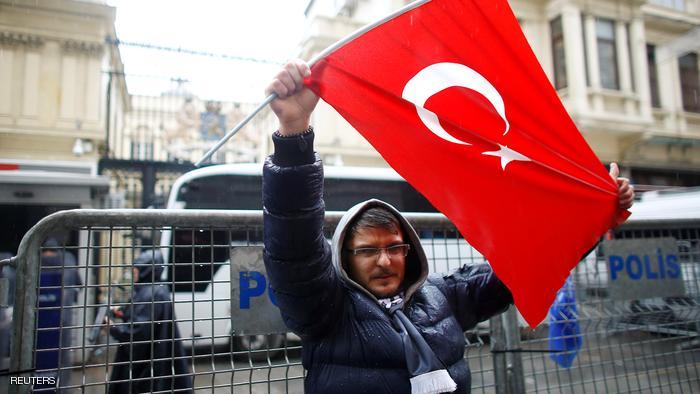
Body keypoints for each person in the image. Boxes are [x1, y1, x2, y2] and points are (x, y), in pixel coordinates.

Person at [262, 60, 635, 394]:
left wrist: (593, 216)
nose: (385, 261)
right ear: (344, 257)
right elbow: (295, 247)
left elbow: (530, 265)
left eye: (394, 247)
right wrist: (294, 133)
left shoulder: (442, 296)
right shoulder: (326, 308)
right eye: (367, 250)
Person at [106, 250, 193, 394]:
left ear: (146, 271)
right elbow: (142, 315)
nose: (133, 274)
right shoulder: (154, 289)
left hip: (147, 361)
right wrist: (123, 312)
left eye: (136, 270)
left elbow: (139, 331)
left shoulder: (152, 293)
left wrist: (112, 328)